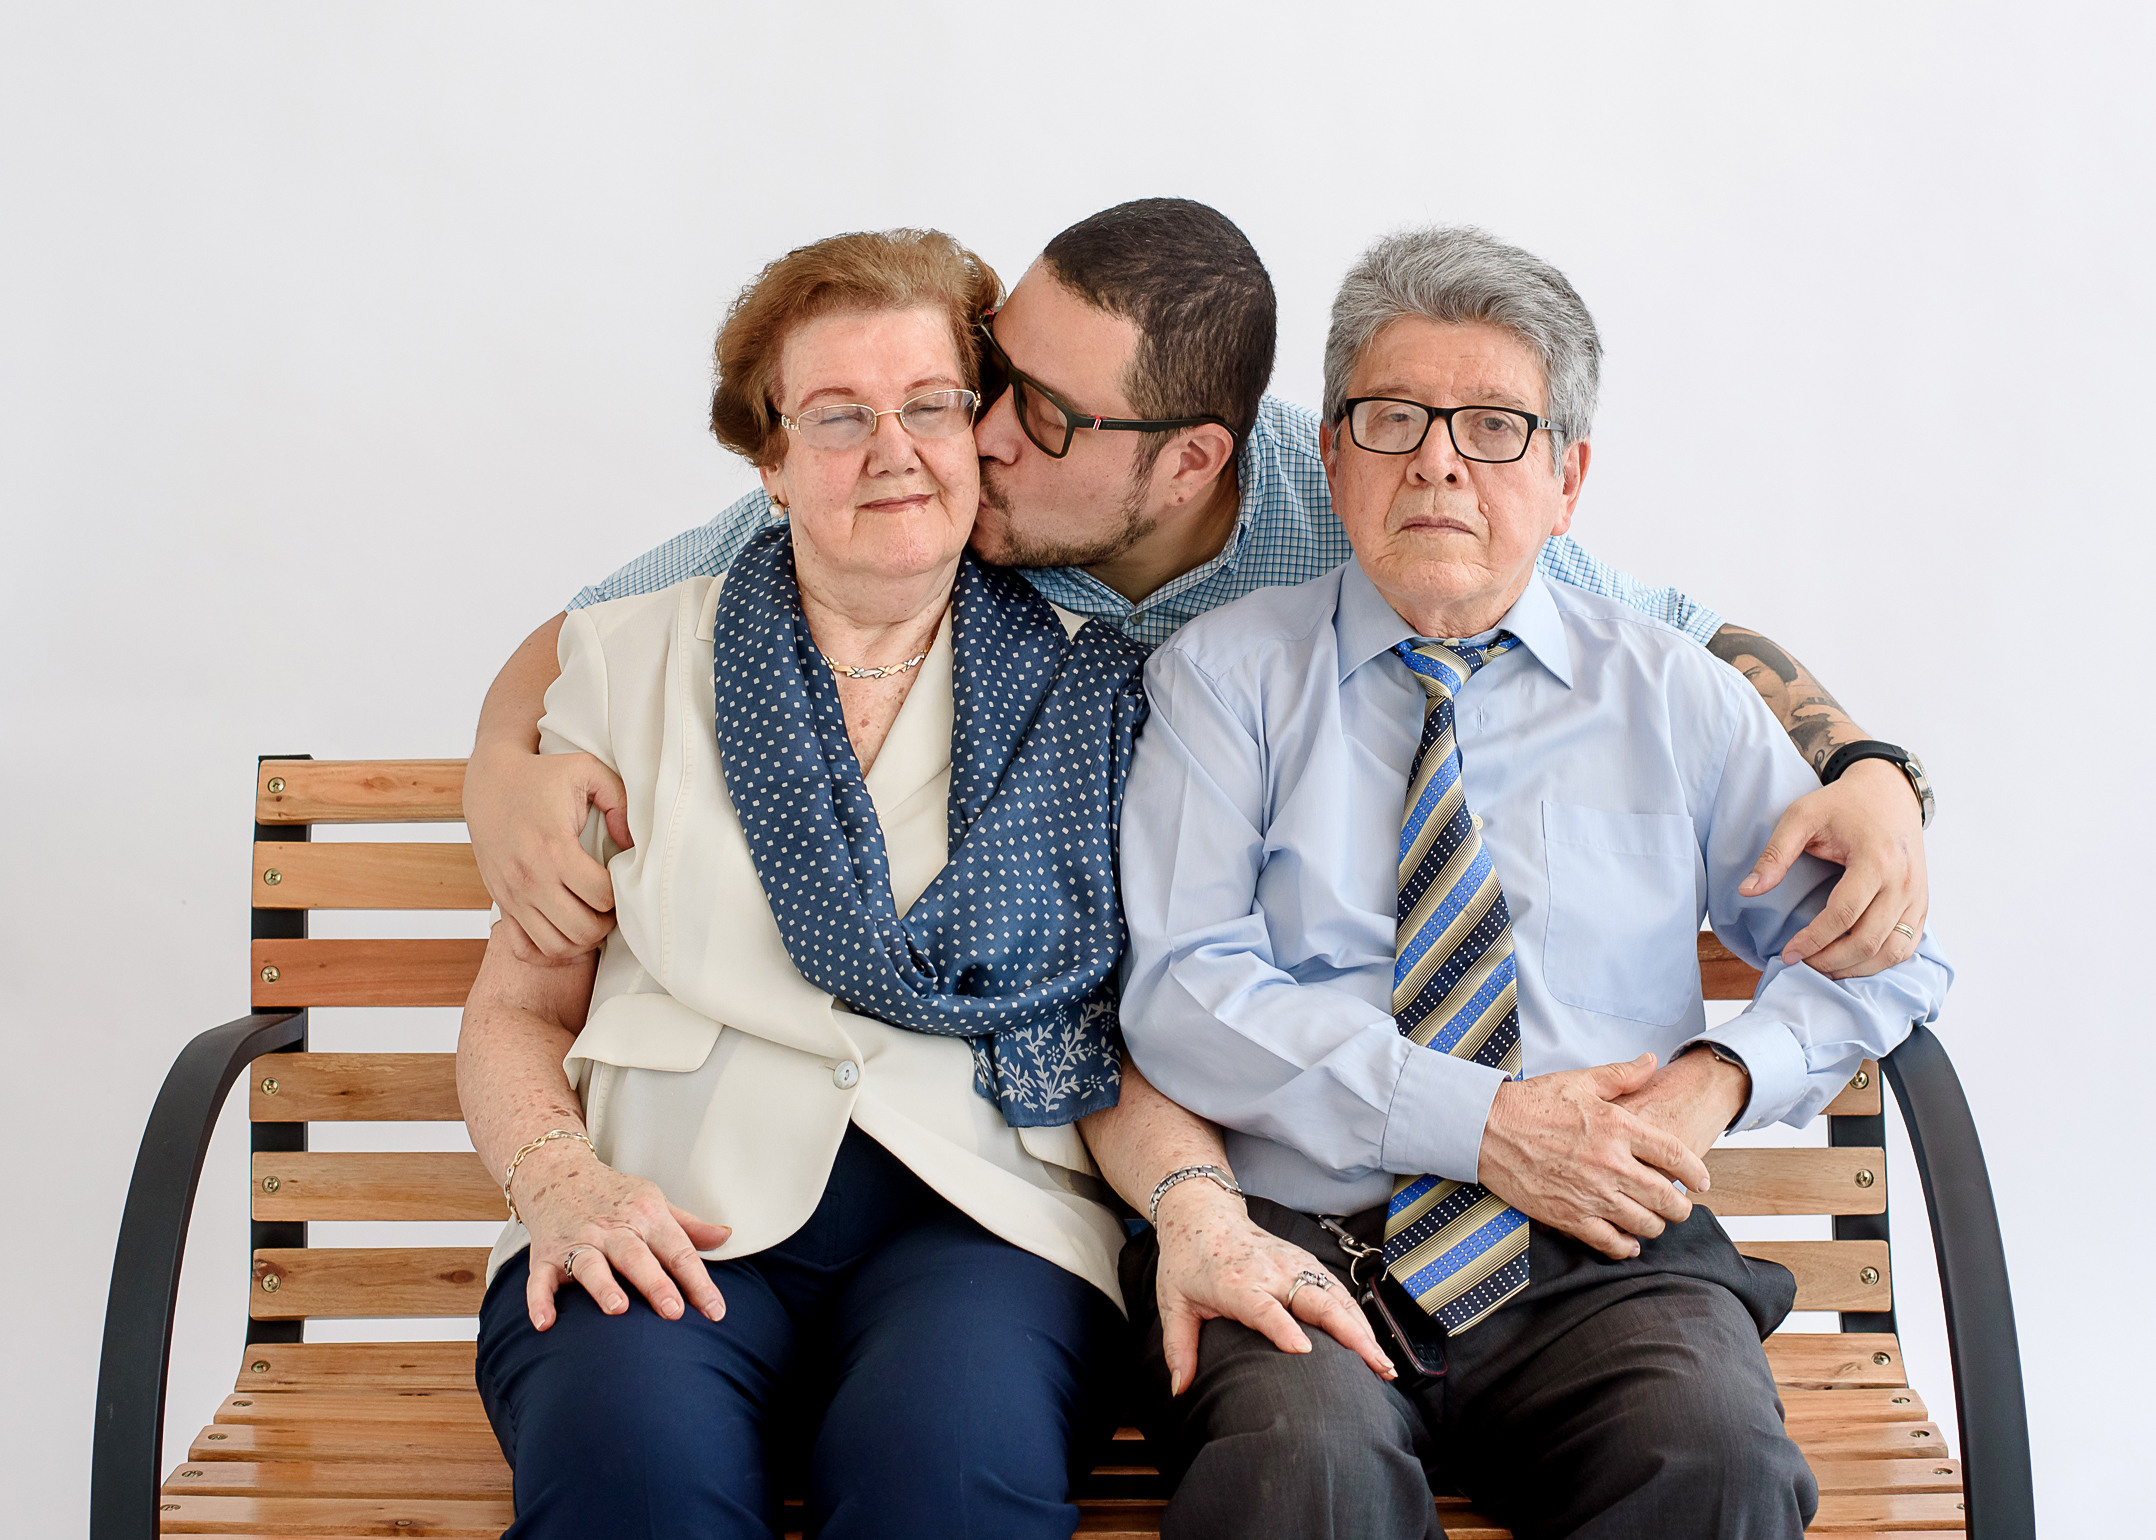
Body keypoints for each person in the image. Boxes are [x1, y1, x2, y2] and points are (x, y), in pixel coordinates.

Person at [455, 228, 1382, 1540]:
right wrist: (561, 1184)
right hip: (662, 1199)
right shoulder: (628, 659)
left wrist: (1197, 1213)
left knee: (943, 1488)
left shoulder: (1102, 689)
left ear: (979, 429)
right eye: (837, 416)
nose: (893, 450)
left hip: (987, 1225)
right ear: (770, 461)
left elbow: (1128, 1033)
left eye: (933, 406)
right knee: (629, 1483)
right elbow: (515, 1013)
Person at [466, 199, 1934, 987]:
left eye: (1037, 414)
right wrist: (497, 777)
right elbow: (586, 630)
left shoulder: (1356, 500)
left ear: (1187, 467)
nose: (968, 437)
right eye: (992, 376)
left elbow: (1681, 639)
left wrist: (1864, 767)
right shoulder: (914, 484)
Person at [1114, 225, 1953, 1540]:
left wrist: (1718, 1080)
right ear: (1331, 458)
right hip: (1303, 1240)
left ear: (1567, 479)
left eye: (1496, 426)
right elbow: (1182, 990)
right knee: (1297, 1483)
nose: (1440, 459)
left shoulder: (1672, 694)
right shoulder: (1224, 681)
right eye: (1394, 419)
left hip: (1607, 1261)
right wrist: (1481, 1124)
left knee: (1716, 1469)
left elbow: (1888, 955)